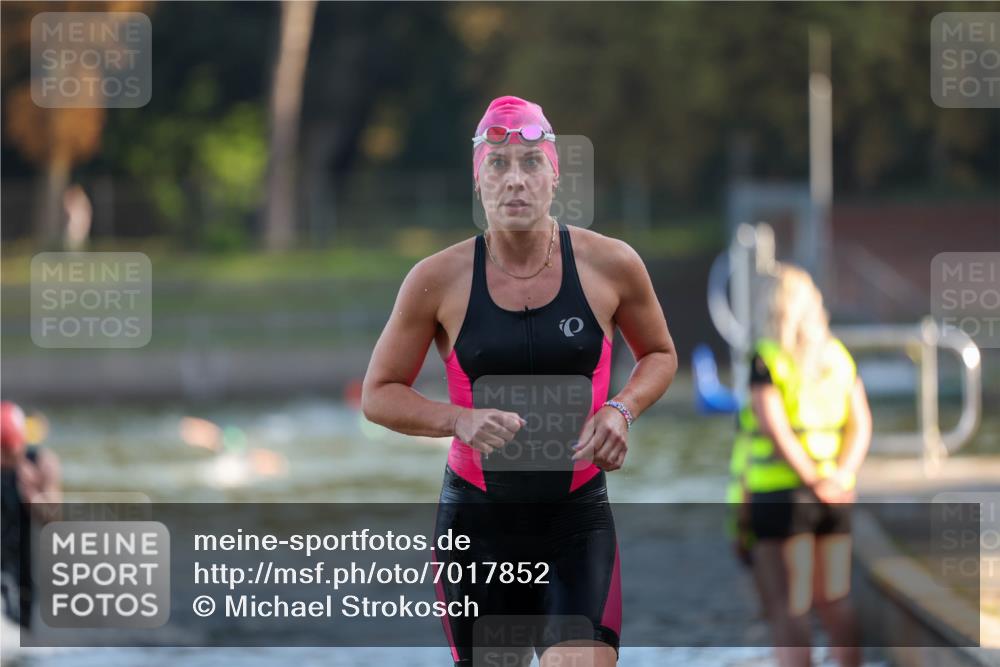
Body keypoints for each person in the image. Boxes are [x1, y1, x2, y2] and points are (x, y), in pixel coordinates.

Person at [362, 95, 676, 666]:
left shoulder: (612, 264)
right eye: (498, 165)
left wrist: (621, 410)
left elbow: (658, 353)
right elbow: (378, 394)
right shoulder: (437, 279)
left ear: (555, 176)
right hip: (478, 524)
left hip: (575, 518)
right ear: (477, 180)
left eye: (531, 163)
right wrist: (458, 420)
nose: (515, 181)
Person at [736, 265, 872, 667]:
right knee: (835, 600)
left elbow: (774, 429)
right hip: (835, 494)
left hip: (782, 495)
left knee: (787, 607)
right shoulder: (838, 356)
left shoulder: (769, 358)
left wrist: (811, 480)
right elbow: (861, 423)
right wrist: (840, 477)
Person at [1, 400, 61, 630]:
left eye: (9, 450)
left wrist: (32, 495)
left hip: (22, 572)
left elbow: (54, 520)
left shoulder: (41, 463)